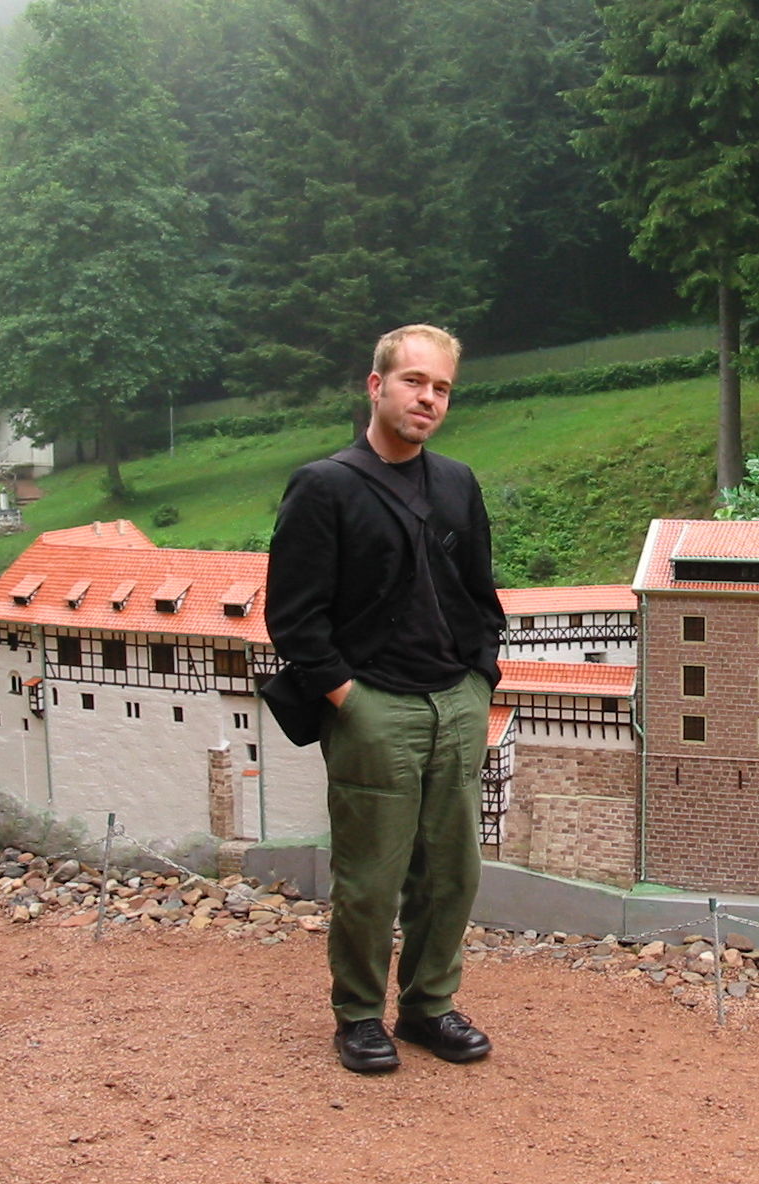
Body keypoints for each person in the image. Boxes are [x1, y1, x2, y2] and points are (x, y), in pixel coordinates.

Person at [265, 324, 504, 1074]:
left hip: (455, 703)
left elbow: (481, 594)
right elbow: (294, 617)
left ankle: (429, 1008)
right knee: (371, 879)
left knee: (451, 872)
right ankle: (360, 1016)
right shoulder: (325, 486)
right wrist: (347, 697)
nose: (428, 399)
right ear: (377, 386)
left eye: (440, 388)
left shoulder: (458, 483)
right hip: (376, 709)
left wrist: (481, 678)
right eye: (414, 382)